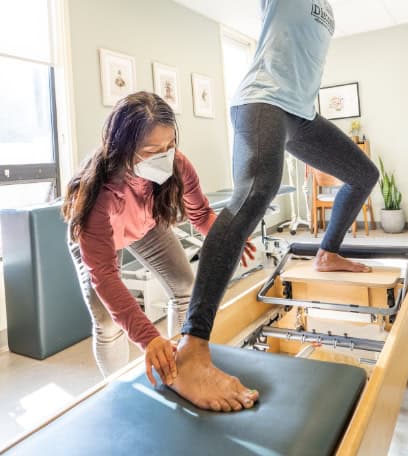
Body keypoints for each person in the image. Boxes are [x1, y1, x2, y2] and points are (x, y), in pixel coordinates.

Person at [169, 0, 380, 412]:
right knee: (254, 195)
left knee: (363, 174)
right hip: (263, 102)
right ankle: (191, 348)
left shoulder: (328, 9)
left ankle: (328, 252)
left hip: (301, 115)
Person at [62, 91, 257, 411]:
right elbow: (106, 276)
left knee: (183, 284)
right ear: (121, 149)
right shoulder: (98, 196)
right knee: (108, 321)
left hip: (145, 227)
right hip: (99, 238)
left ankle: (181, 368)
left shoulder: (178, 165)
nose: (164, 157)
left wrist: (228, 239)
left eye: (169, 146)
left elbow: (202, 214)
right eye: (151, 150)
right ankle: (117, 391)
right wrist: (149, 339)